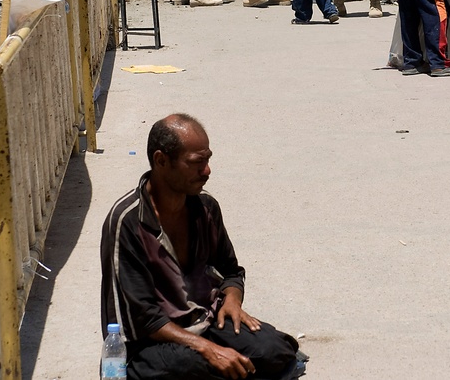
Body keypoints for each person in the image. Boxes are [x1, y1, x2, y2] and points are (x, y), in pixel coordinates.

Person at [100, 114, 302, 380]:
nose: (207, 171)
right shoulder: (127, 222)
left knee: (274, 351)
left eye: (207, 160)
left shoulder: (206, 207)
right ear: (161, 161)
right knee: (186, 368)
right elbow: (144, 318)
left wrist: (232, 300)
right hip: (152, 342)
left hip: (205, 321)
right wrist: (208, 349)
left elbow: (231, 271)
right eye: (197, 163)